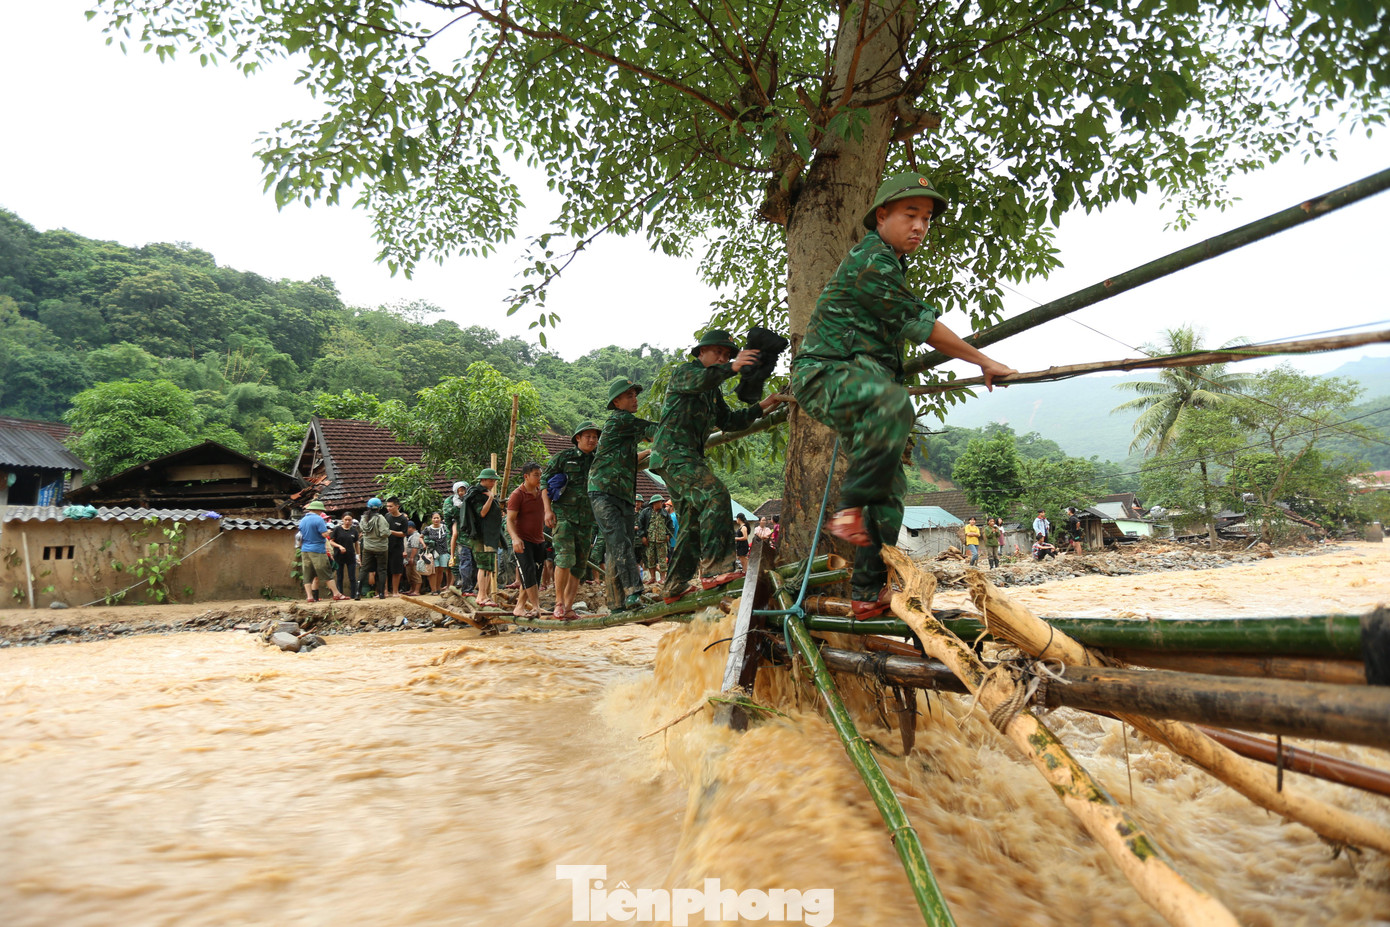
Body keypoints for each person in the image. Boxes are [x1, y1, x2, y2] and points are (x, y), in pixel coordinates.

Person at [791, 171, 1017, 620]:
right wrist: (983, 360)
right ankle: (849, 510)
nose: (920, 226)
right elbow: (922, 325)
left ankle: (867, 591)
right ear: (881, 215)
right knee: (896, 405)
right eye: (910, 215)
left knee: (891, 488)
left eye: (927, 219)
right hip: (826, 373)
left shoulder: (892, 262)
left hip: (865, 381)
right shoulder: (871, 260)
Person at [650, 329, 784, 601]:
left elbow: (730, 422)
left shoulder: (713, 392)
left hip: (686, 456)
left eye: (727, 354)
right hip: (673, 454)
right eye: (718, 352)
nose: (723, 357)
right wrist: (733, 367)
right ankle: (716, 569)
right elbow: (702, 379)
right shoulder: (685, 373)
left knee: (691, 521)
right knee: (716, 494)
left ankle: (674, 585)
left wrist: (764, 406)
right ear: (701, 352)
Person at [588, 376, 658, 612]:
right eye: (630, 396)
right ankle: (633, 592)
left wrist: (648, 449)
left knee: (616, 546)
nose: (635, 399)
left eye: (635, 395)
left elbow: (629, 457)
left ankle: (616, 603)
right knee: (619, 541)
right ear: (617, 403)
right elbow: (655, 430)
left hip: (625, 495)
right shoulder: (620, 421)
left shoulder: (626, 431)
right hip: (603, 492)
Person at [542, 420, 601, 620]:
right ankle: (558, 603)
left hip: (586, 520)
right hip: (563, 516)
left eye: (595, 437)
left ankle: (568, 607)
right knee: (564, 559)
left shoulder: (598, 459)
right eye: (588, 436)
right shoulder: (564, 458)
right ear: (578, 438)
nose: (592, 440)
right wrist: (547, 510)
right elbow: (544, 482)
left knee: (579, 565)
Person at [507, 461, 547, 619]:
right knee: (528, 572)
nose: (539, 478)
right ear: (526, 476)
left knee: (534, 575)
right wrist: (515, 538)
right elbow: (509, 520)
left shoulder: (541, 492)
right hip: (522, 541)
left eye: (540, 475)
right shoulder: (517, 495)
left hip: (539, 539)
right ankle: (536, 607)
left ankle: (519, 607)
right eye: (536, 475)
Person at [461, 468, 504, 608]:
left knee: (489, 566)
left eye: (494, 480)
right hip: (480, 536)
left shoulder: (486, 493)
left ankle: (484, 595)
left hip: (490, 536)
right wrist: (491, 498)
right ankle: (481, 595)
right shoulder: (477, 494)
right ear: (483, 480)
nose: (492, 483)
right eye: (490, 480)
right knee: (483, 566)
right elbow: (482, 513)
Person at [298, 501, 348, 602]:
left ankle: (309, 597)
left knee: (307, 574)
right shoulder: (318, 519)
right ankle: (336, 594)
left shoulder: (302, 520)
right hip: (317, 550)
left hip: (305, 550)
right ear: (318, 510)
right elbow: (324, 535)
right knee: (326, 572)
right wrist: (329, 532)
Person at [359, 497, 391, 599]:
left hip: (367, 547)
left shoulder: (364, 518)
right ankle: (381, 593)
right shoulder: (380, 518)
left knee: (364, 569)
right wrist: (390, 532)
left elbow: (362, 530)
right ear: (379, 507)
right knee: (381, 570)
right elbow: (385, 533)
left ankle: (357, 593)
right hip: (381, 548)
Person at [639, 494, 673, 587]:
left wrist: (668, 535)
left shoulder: (665, 513)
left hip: (661, 540)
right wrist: (643, 537)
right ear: (654, 503)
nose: (661, 504)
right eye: (659, 502)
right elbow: (641, 525)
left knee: (662, 560)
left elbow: (670, 526)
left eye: (661, 502)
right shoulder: (646, 513)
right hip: (650, 540)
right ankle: (652, 577)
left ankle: (663, 578)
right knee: (650, 559)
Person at [330, 512, 362, 599]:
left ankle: (354, 595)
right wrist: (339, 546)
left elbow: (356, 544)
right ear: (342, 520)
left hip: (350, 556)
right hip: (339, 556)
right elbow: (331, 541)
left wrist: (358, 556)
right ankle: (340, 594)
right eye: (346, 520)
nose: (347, 521)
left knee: (352, 577)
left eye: (349, 520)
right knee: (340, 576)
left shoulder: (354, 531)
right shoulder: (337, 529)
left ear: (352, 520)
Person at [382, 497, 410, 597]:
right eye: (387, 506)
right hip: (385, 546)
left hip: (397, 547)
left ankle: (395, 591)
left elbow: (404, 533)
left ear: (397, 506)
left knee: (396, 570)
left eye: (391, 506)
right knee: (384, 569)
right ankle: (384, 591)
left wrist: (391, 532)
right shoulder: (387, 516)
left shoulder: (403, 519)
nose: (388, 508)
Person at [423, 511, 450, 594]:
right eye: (434, 518)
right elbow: (421, 537)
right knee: (434, 570)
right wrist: (424, 545)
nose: (436, 519)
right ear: (431, 519)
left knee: (441, 570)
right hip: (432, 552)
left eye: (437, 517)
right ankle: (433, 589)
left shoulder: (445, 527)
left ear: (440, 518)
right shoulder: (428, 529)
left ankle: (438, 588)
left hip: (444, 551)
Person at [403, 521, 427, 595]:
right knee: (410, 574)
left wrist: (412, 558)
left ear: (410, 528)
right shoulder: (410, 536)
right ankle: (412, 589)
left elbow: (415, 547)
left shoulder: (416, 535)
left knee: (415, 574)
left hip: (414, 558)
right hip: (408, 559)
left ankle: (416, 591)